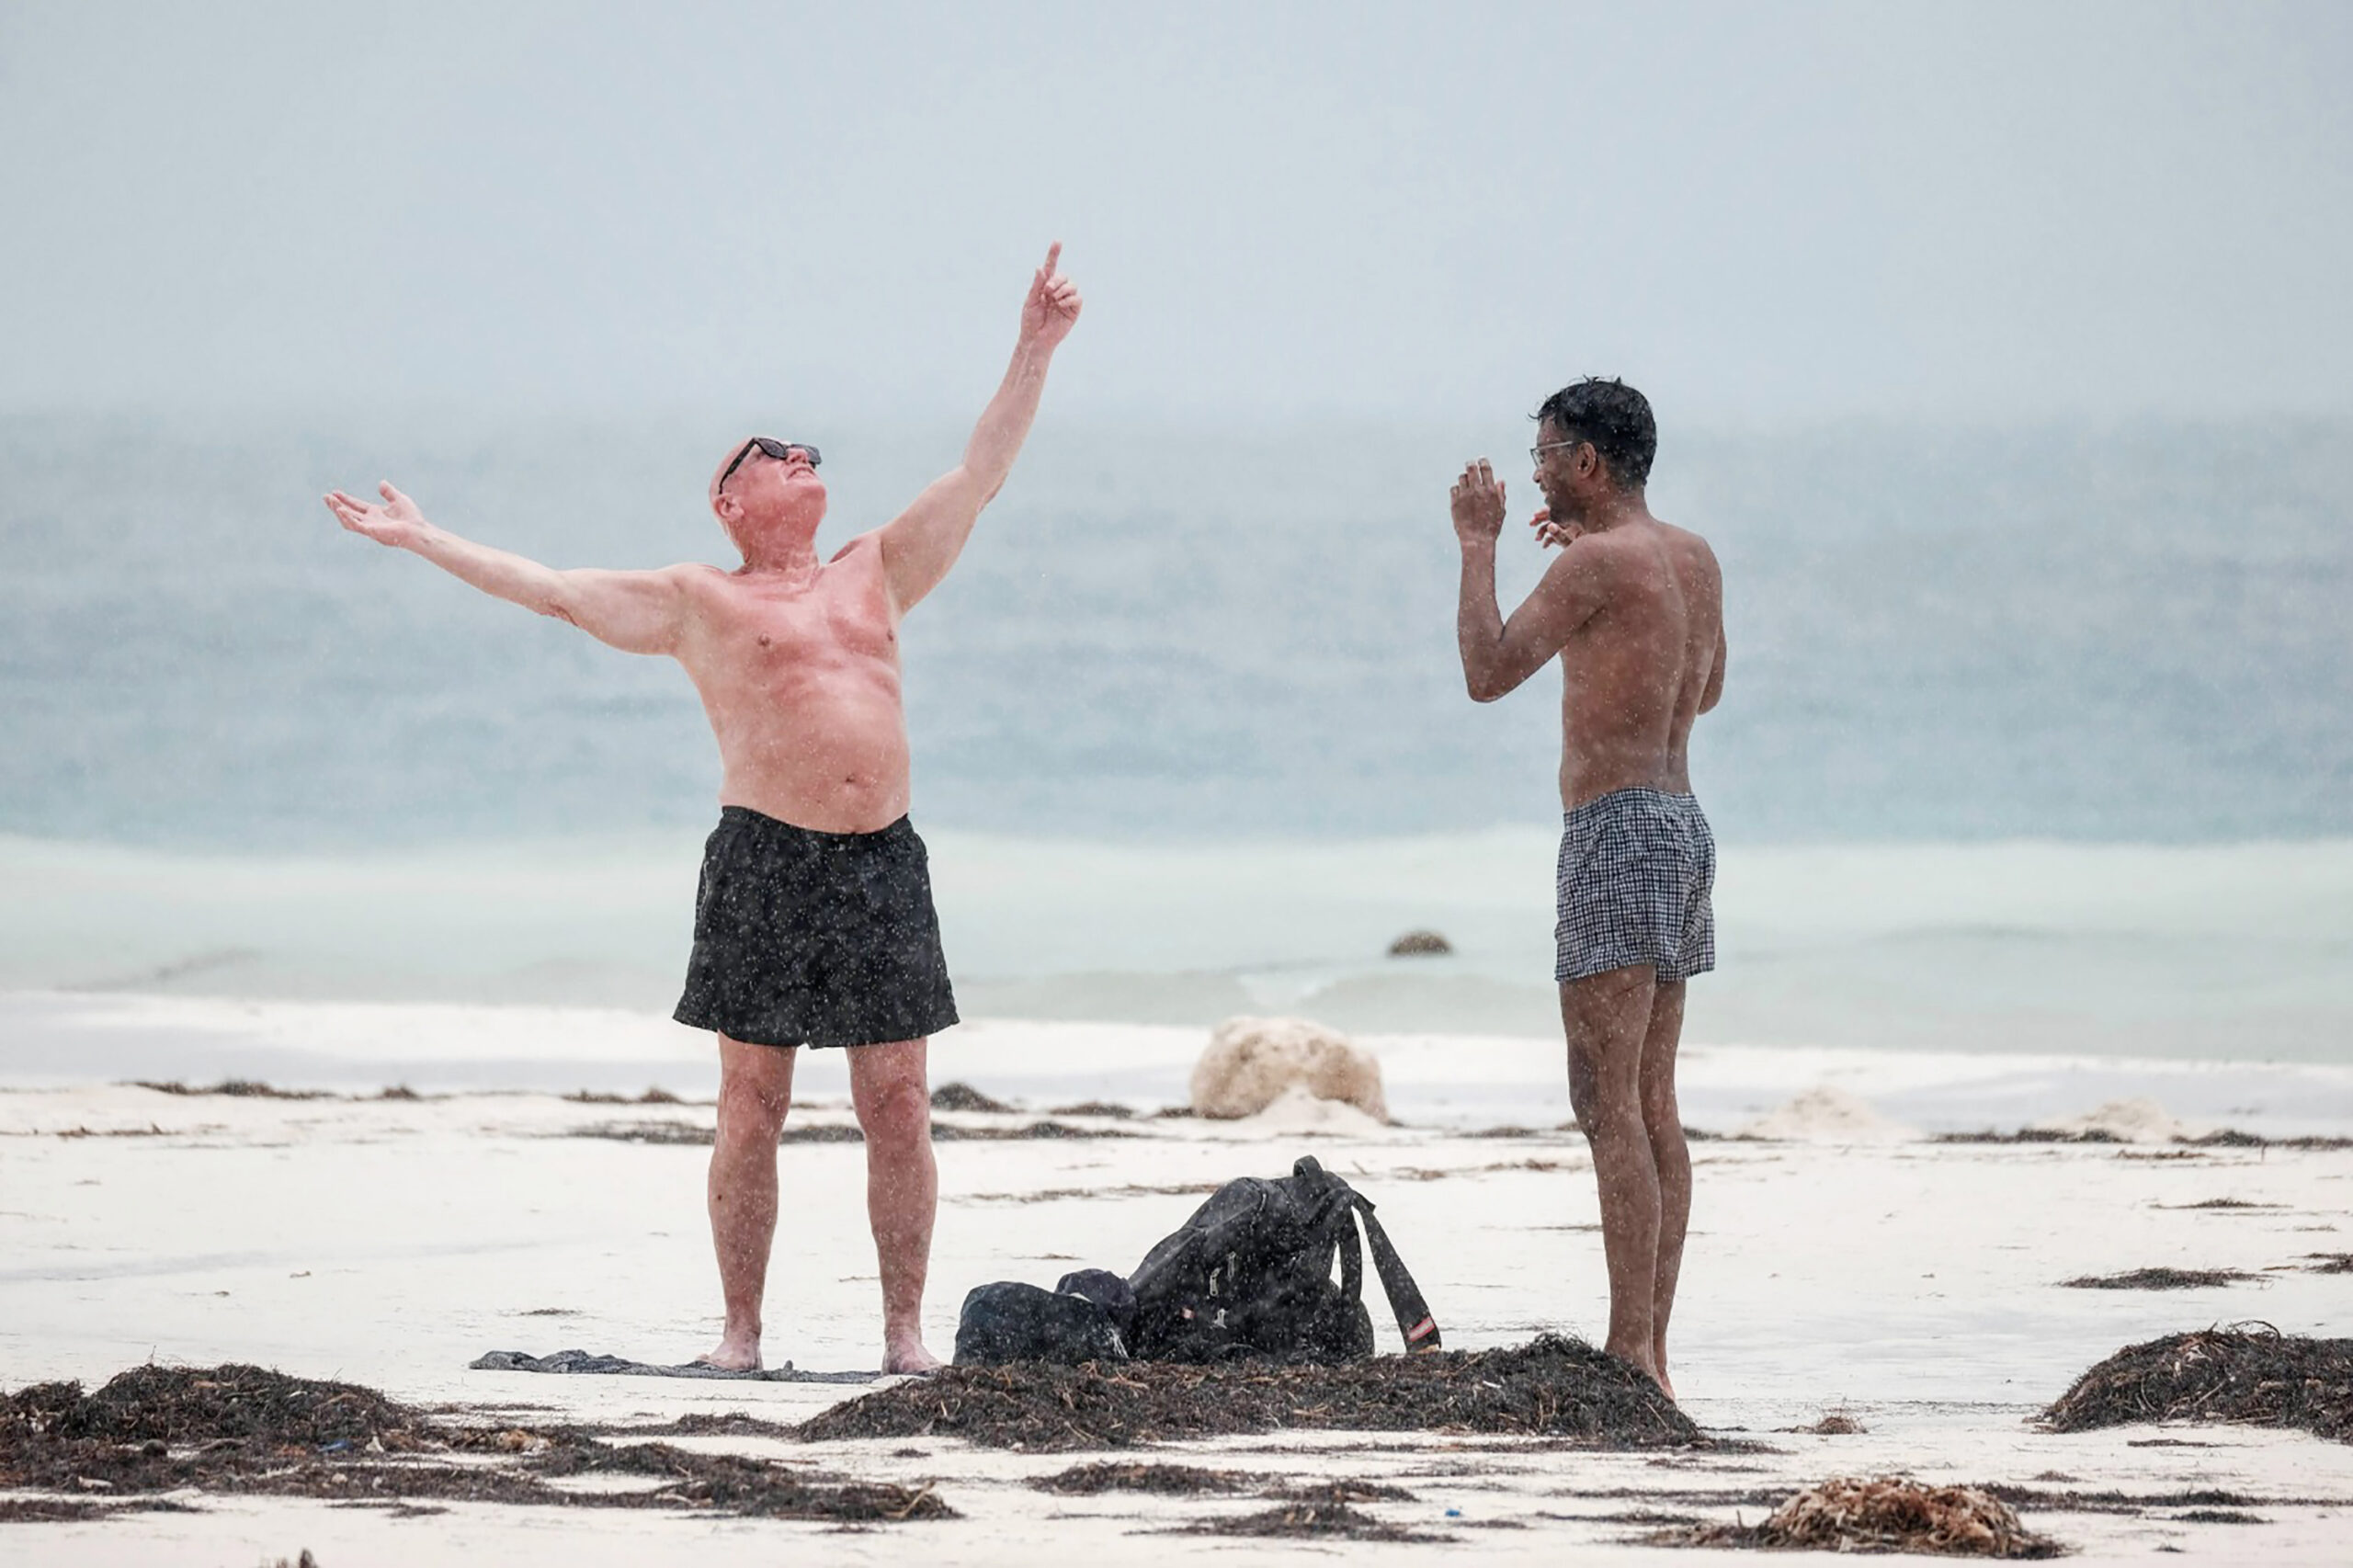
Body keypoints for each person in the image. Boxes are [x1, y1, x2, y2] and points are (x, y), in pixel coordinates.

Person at [324, 244, 1085, 1374]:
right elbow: (556, 592)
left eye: (806, 448)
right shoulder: (698, 601)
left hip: (881, 860)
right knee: (750, 1102)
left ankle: (903, 1335)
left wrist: (1033, 346)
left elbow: (981, 471)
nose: (798, 453)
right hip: (765, 858)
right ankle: (740, 1335)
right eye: (771, 452)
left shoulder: (877, 567)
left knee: (898, 1101)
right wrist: (428, 539)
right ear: (731, 501)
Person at [1449, 378, 1725, 1398]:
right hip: (1682, 823)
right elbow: (1706, 688)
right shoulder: (1688, 557)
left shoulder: (1597, 563)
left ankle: (1628, 1351)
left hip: (1616, 830)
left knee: (1604, 1098)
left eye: (1543, 457)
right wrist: (1605, 605)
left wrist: (1478, 544)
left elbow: (1486, 671)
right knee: (1652, 1098)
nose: (1533, 477)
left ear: (1587, 463)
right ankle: (1652, 1348)